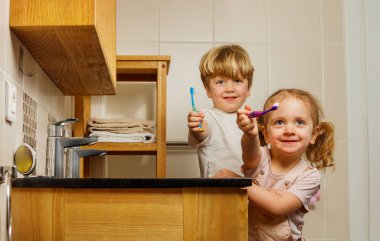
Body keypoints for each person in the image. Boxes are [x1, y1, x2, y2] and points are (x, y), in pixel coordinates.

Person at [235, 88, 335, 241]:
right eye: (279, 122)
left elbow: (277, 207)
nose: (289, 130)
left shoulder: (309, 176)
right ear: (266, 134)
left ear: (313, 134)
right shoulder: (261, 158)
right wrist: (250, 134)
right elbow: (249, 152)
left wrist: (236, 181)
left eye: (300, 122)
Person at [187, 44, 254, 177]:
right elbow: (200, 134)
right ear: (208, 90)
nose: (230, 88)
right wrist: (196, 127)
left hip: (249, 194)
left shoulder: (251, 120)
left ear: (248, 89)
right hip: (217, 195)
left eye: (237, 81)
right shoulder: (207, 117)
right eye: (220, 82)